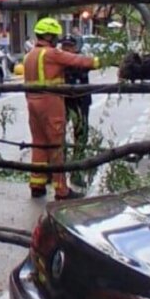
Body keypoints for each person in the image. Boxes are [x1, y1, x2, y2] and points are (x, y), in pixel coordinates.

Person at [22, 18, 99, 200]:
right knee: (57, 146)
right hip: (51, 102)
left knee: (39, 144)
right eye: (55, 35)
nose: (57, 39)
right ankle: (61, 190)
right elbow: (77, 61)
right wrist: (100, 61)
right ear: (48, 35)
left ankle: (37, 185)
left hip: (32, 103)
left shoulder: (29, 56)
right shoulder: (51, 54)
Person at [60, 33, 92, 161]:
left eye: (70, 46)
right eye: (64, 46)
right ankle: (60, 164)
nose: (67, 49)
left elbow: (90, 65)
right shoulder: (58, 62)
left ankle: (77, 166)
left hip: (81, 102)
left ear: (75, 48)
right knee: (59, 133)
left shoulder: (81, 61)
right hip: (64, 102)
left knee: (81, 134)